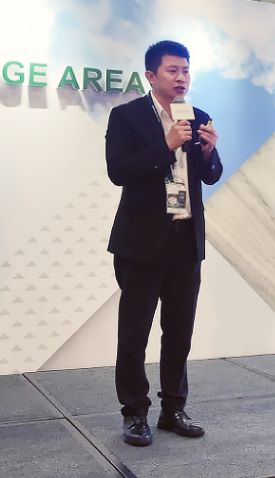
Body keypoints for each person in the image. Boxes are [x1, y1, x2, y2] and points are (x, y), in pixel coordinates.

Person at [105, 40, 222, 447]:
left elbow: (211, 175)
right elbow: (118, 171)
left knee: (179, 332)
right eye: (173, 70)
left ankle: (173, 409)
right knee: (133, 333)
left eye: (186, 70)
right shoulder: (127, 116)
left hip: (185, 240)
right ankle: (135, 413)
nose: (182, 78)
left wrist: (209, 153)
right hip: (141, 243)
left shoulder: (198, 115)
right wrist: (166, 145)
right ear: (151, 76)